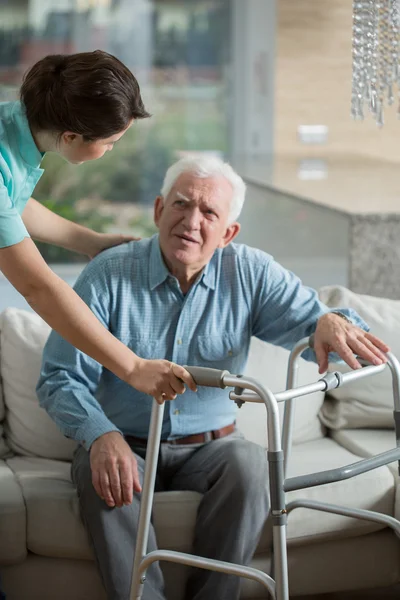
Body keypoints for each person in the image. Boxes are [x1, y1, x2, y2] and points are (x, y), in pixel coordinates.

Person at [37, 156, 389, 600]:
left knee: (251, 465)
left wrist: (332, 320)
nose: (190, 221)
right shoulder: (107, 275)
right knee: (100, 470)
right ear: (158, 209)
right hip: (125, 439)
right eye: (181, 205)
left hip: (212, 447)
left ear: (228, 233)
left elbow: (325, 330)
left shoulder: (250, 272)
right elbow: (58, 377)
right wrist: (99, 435)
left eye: (209, 214)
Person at [0, 50, 195, 404]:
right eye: (109, 143)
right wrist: (133, 367)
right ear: (72, 136)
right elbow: (37, 287)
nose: (110, 151)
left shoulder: (13, 126)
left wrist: (89, 241)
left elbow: (11, 207)